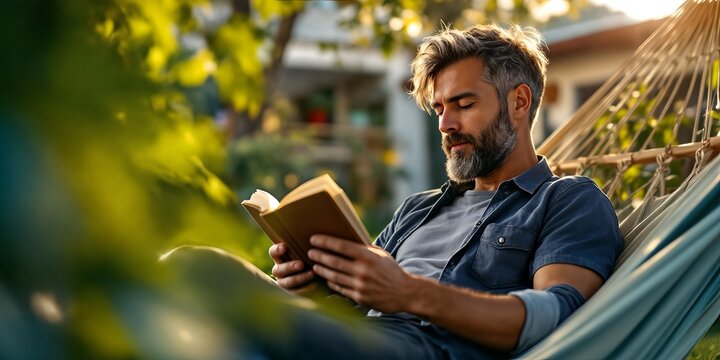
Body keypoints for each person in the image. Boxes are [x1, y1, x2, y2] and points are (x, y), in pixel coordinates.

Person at [167, 23, 623, 359]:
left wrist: (410, 294)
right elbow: (365, 298)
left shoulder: (567, 201)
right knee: (187, 288)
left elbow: (557, 315)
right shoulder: (417, 209)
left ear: (519, 102)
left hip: (424, 350)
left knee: (197, 270)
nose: (445, 125)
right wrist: (313, 283)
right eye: (441, 109)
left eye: (464, 105)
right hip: (361, 339)